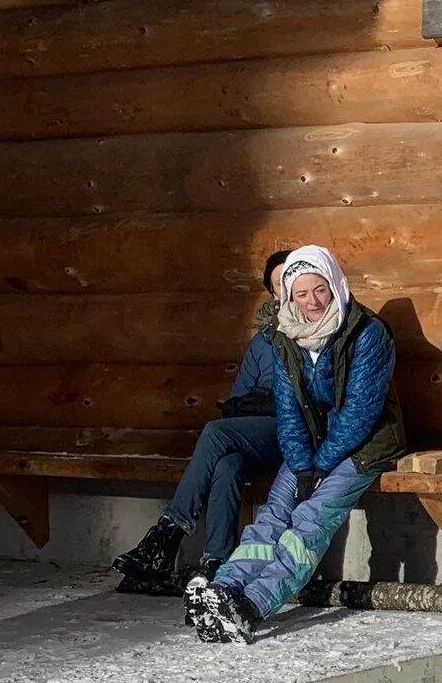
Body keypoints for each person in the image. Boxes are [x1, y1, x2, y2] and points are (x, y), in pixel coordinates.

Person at [185, 244, 406, 644]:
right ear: (289, 297)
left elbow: (360, 410)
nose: (312, 302)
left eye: (319, 290)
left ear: (335, 285)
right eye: (301, 294)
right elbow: (288, 409)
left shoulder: (367, 333)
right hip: (314, 447)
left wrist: (321, 467)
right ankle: (224, 589)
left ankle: (253, 603)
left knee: (312, 517)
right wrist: (302, 464)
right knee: (275, 513)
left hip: (365, 445)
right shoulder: (288, 335)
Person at [110, 249, 294, 593]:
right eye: (279, 283)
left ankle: (166, 536)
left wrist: (269, 400)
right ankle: (217, 564)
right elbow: (238, 399)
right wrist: (254, 405)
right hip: (257, 431)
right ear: (272, 294)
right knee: (226, 465)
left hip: (294, 431)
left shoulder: (314, 332)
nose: (288, 287)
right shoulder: (263, 341)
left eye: (292, 277)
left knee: (214, 432)